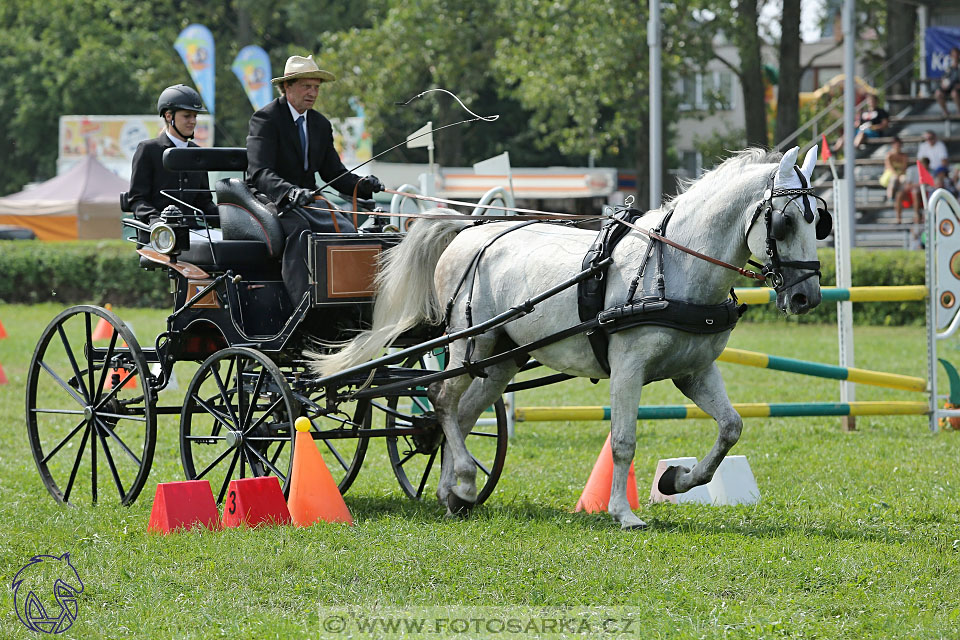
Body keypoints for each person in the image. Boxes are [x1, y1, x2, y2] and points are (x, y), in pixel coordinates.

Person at [246, 54, 383, 303]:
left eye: (316, 87)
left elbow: (334, 173)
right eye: (306, 86)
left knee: (346, 229)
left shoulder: (320, 124)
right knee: (300, 231)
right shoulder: (265, 119)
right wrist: (290, 192)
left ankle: (347, 301)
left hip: (308, 200)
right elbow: (260, 172)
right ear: (287, 87)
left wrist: (363, 186)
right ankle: (302, 304)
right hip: (271, 200)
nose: (313, 93)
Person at [128, 84, 218, 228]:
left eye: (195, 116)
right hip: (159, 236)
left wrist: (229, 218)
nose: (193, 121)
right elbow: (137, 199)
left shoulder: (198, 153)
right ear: (169, 116)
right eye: (187, 116)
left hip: (193, 234)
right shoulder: (148, 150)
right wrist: (156, 220)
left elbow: (204, 202)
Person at [879, 137, 909, 223]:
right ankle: (890, 196)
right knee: (894, 179)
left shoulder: (903, 156)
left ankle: (893, 196)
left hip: (900, 176)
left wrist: (899, 175)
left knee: (902, 180)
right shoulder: (889, 155)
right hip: (892, 175)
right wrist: (896, 175)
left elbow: (904, 168)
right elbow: (889, 168)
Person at [935, 47, 960, 119]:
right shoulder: (949, 68)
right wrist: (943, 84)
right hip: (948, 88)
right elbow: (944, 78)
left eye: (957, 55)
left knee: (954, 93)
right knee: (938, 93)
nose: (955, 57)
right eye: (953, 55)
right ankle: (945, 112)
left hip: (957, 89)